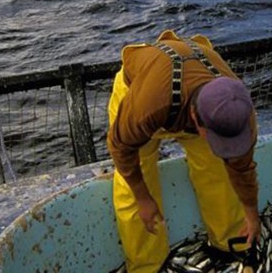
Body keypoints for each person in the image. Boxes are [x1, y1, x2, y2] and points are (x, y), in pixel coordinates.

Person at [106, 30, 260, 273]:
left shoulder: (237, 112)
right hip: (142, 89)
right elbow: (120, 147)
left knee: (217, 171)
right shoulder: (148, 105)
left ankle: (228, 243)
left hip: (191, 91)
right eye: (216, 138)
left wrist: (251, 215)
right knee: (133, 187)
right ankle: (146, 266)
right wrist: (144, 199)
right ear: (195, 120)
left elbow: (241, 168)